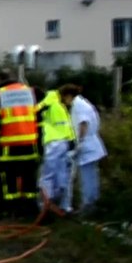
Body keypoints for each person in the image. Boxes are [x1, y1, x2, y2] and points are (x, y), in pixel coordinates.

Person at [0, 67, 40, 217]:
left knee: (9, 178)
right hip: (30, 144)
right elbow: (38, 118)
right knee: (29, 177)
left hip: (9, 146)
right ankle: (30, 209)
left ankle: (12, 210)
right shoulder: (29, 92)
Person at [35, 84, 78, 215]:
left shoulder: (59, 104)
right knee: (49, 175)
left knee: (62, 176)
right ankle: (45, 206)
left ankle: (58, 205)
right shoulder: (52, 100)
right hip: (54, 143)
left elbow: (65, 126)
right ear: (67, 95)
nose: (71, 102)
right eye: (72, 98)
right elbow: (37, 110)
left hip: (62, 143)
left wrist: (71, 139)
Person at [66, 84, 106, 215]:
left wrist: (79, 142)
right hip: (91, 144)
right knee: (91, 176)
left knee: (87, 177)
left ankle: (88, 205)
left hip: (87, 145)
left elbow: (83, 123)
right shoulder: (83, 103)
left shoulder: (78, 105)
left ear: (68, 96)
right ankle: (92, 202)